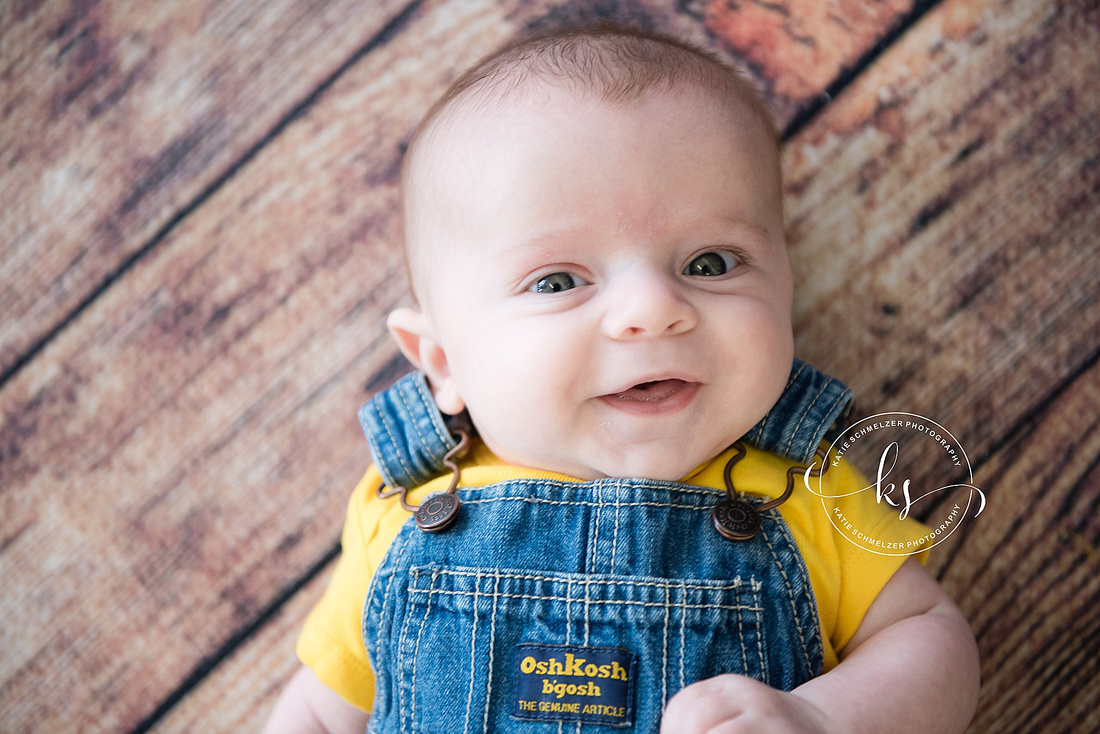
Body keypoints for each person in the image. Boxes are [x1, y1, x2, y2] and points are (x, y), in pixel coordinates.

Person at [263, 26, 979, 734]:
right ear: (442, 363)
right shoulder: (407, 509)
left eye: (710, 264)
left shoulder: (804, 488)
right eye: (557, 280)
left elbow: (926, 636)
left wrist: (823, 717)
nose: (653, 310)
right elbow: (322, 713)